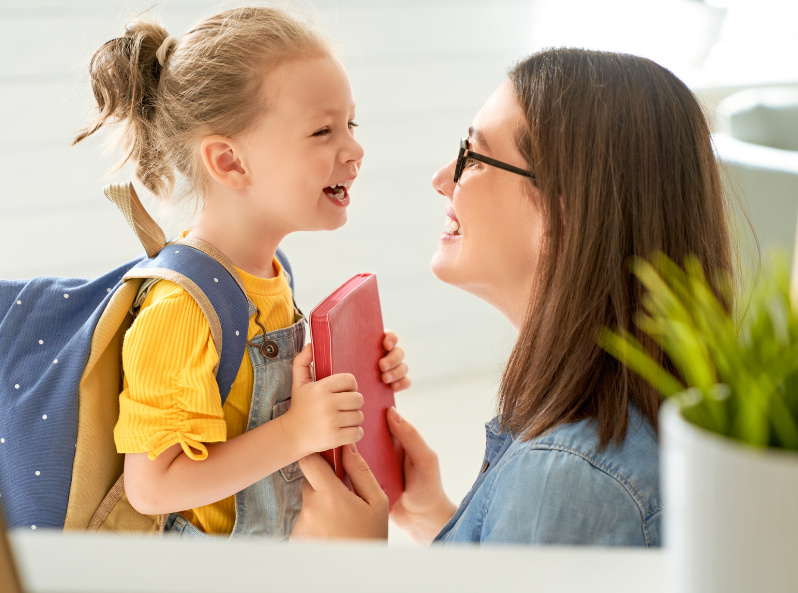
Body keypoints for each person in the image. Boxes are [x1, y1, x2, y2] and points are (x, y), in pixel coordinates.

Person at [290, 48, 735, 546]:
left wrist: (349, 560)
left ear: (565, 214)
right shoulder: (605, 436)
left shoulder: (566, 478)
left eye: (473, 158)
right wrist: (431, 515)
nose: (442, 181)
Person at [72, 6, 410, 539]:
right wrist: (296, 431)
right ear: (229, 161)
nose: (355, 148)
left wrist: (350, 373)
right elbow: (153, 487)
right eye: (323, 130)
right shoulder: (181, 309)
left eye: (350, 124)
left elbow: (246, 403)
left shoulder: (271, 274)